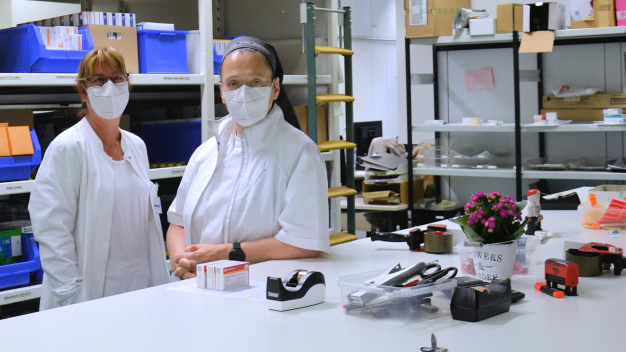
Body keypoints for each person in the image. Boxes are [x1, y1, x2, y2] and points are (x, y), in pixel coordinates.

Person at [167, 36, 330, 280]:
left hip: (259, 293)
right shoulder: (205, 154)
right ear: (221, 90)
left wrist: (227, 253)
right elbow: (177, 223)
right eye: (233, 83)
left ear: (275, 88)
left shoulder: (300, 153)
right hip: (196, 285)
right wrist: (183, 262)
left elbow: (305, 242)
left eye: (255, 82)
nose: (243, 93)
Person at [28, 47, 170, 310]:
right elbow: (51, 226)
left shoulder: (136, 146)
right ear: (83, 91)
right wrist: (69, 291)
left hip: (139, 289)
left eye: (117, 78)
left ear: (128, 84)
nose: (110, 87)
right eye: (98, 80)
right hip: (88, 295)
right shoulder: (68, 147)